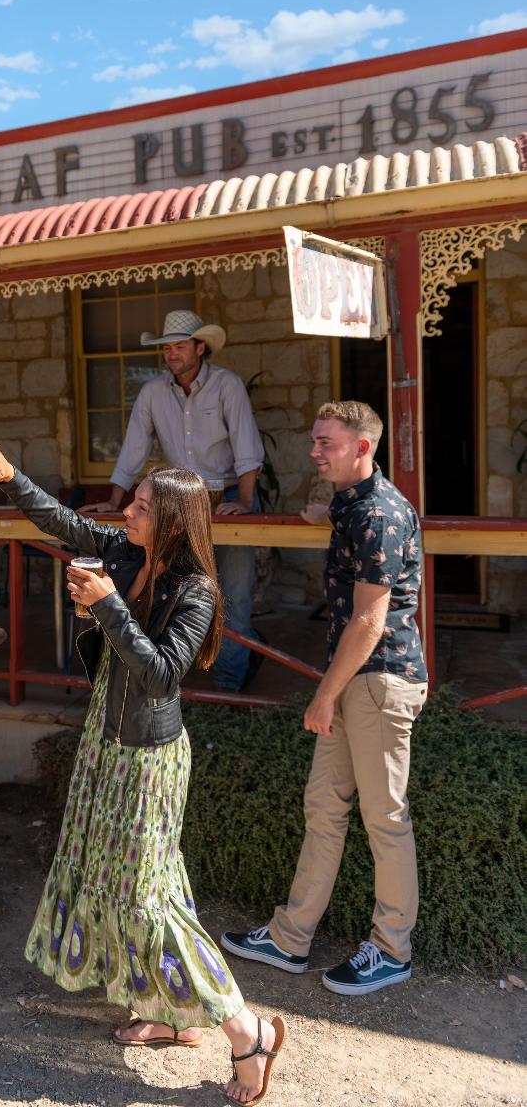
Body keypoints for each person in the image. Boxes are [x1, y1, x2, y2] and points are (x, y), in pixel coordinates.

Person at [0, 431, 287, 1105]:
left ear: (171, 522)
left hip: (146, 761)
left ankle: (246, 1032)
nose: (125, 515)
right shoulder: (123, 552)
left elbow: (162, 675)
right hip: (105, 748)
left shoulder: (192, 591)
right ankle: (170, 1015)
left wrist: (105, 604)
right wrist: (7, 474)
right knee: (138, 885)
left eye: (139, 507)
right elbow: (66, 522)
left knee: (145, 899)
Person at [221, 401, 428, 996]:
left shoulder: (378, 516)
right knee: (324, 807)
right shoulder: (355, 506)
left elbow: (368, 621)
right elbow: (351, 528)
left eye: (326, 443)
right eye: (314, 440)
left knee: (385, 818)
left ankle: (392, 950)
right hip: (358, 677)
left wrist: (323, 696)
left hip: (378, 678)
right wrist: (325, 516)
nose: (315, 451)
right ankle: (290, 937)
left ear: (362, 447)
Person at [80, 310, 264, 692]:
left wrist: (244, 503)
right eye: (167, 348)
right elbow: (133, 447)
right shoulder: (152, 392)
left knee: (235, 593)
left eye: (180, 346)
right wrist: (115, 499)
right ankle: (171, 678)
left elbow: (247, 446)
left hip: (228, 495)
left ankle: (228, 687)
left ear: (200, 347)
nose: (172, 354)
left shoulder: (226, 385)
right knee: (173, 585)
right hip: (176, 503)